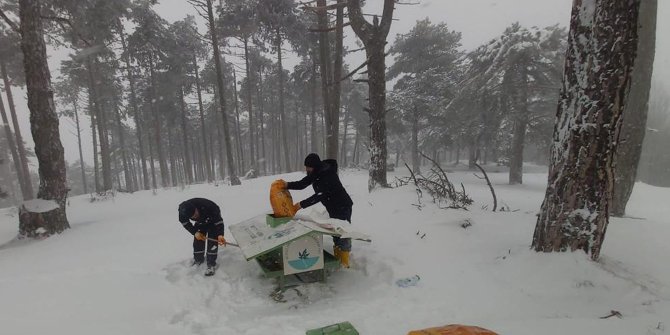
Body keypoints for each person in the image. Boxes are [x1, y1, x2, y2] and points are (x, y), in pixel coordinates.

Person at [279, 153, 354, 268]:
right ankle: (338, 257)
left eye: (308, 167)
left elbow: (320, 195)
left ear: (314, 166)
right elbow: (302, 183)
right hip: (332, 206)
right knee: (336, 232)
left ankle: (345, 262)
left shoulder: (328, 174)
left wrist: (300, 205)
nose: (307, 170)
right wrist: (287, 185)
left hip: (343, 206)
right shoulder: (316, 173)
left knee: (342, 232)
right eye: (306, 167)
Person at [178, 198, 227, 276]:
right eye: (193, 216)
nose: (195, 215)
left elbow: (219, 222)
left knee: (213, 242)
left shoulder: (210, 207)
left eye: (195, 213)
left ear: (196, 208)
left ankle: (211, 264)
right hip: (200, 222)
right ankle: (198, 259)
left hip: (212, 221)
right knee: (198, 240)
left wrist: (220, 235)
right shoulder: (183, 213)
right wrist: (195, 232)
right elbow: (185, 223)